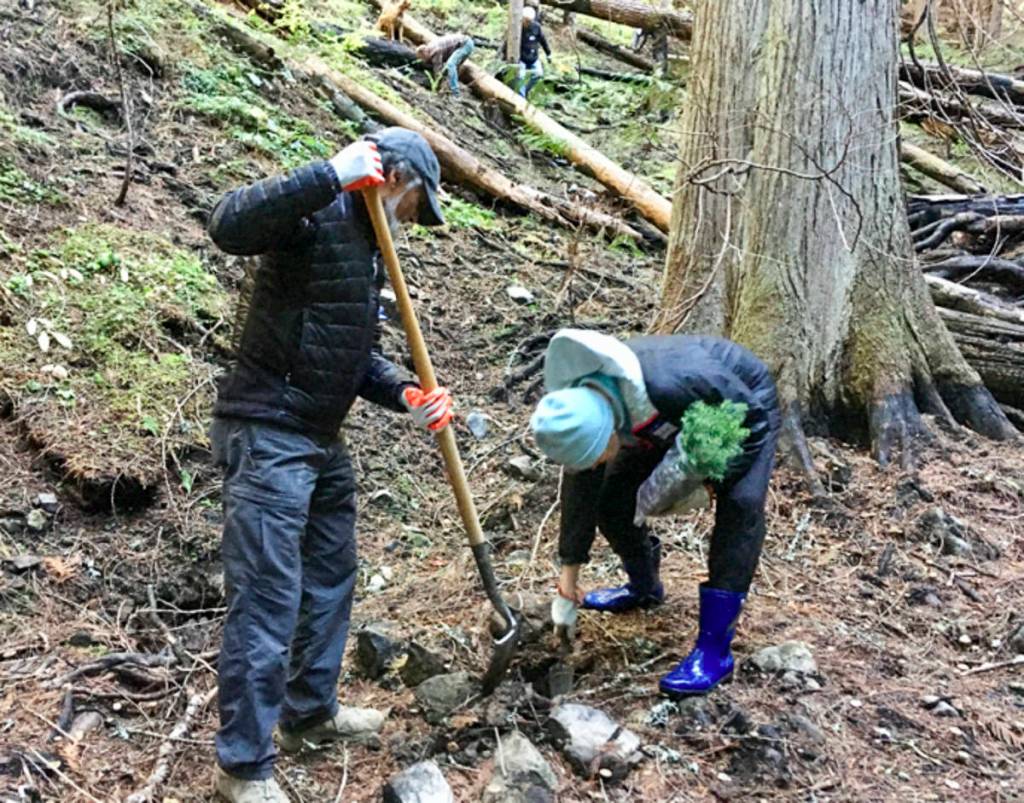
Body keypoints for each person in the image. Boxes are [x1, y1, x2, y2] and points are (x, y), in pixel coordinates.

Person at [206, 128, 453, 803]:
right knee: (267, 600)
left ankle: (308, 716)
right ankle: (242, 769)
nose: (410, 220)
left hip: (320, 438)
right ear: (392, 174)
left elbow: (357, 355)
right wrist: (327, 174)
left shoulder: (371, 249)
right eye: (413, 203)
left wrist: (405, 393)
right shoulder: (318, 209)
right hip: (266, 434)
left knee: (330, 575)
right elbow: (227, 224)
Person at [528, 329, 781, 697]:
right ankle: (644, 587)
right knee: (612, 500)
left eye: (597, 454)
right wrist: (567, 586)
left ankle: (714, 652)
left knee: (740, 506)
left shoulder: (674, 383)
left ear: (607, 432)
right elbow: (580, 491)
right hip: (662, 420)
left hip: (741, 405)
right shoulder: (587, 406)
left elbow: (752, 421)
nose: (597, 462)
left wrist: (712, 480)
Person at [518, 5, 551, 99]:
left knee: (538, 74)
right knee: (520, 76)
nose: (527, 23)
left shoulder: (537, 27)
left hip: (533, 58)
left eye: (529, 21)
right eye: (526, 20)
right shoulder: (517, 28)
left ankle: (525, 90)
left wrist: (548, 54)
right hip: (522, 59)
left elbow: (543, 40)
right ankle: (521, 98)